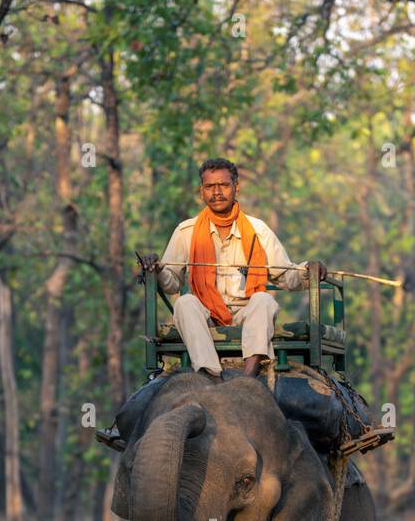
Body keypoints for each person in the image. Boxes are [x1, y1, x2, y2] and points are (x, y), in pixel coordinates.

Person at [139, 157, 327, 378]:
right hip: (206, 315)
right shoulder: (186, 231)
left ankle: (248, 377)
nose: (216, 192)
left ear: (236, 187)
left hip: (246, 313)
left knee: (264, 300)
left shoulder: (258, 230)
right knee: (184, 302)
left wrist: (308, 269)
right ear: (202, 192)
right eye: (210, 186)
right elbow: (171, 284)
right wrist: (157, 268)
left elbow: (284, 274)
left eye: (224, 185)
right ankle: (211, 375)